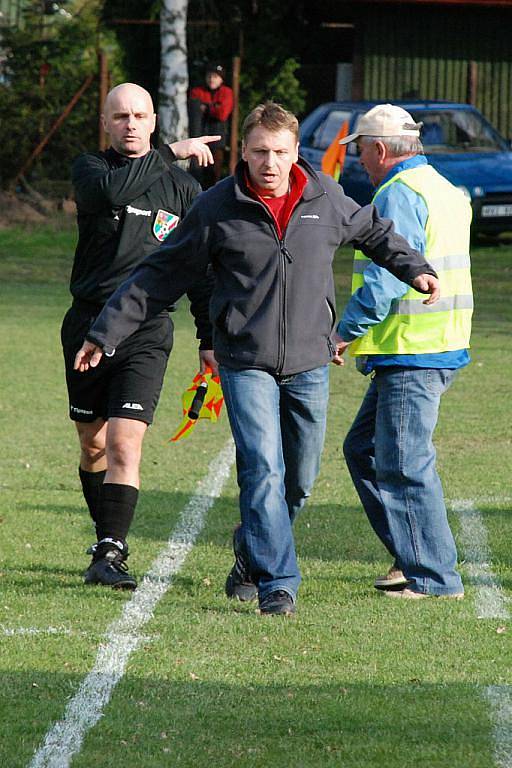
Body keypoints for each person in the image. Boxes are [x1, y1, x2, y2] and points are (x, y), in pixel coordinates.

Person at [73, 102, 440, 615]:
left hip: (310, 362)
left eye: (281, 153)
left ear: (296, 153)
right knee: (262, 468)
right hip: (245, 360)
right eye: (260, 152)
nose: (270, 163)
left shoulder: (325, 196)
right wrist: (106, 330)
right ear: (243, 151)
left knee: (299, 480)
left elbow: (375, 233)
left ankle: (251, 550)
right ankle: (278, 582)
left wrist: (416, 269)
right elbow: (160, 273)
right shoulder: (217, 207)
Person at [61, 82, 218, 590]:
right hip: (87, 323)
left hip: (148, 330)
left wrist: (208, 338)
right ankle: (106, 531)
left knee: (126, 446)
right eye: (121, 116)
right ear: (106, 123)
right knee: (94, 445)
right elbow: (113, 193)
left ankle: (111, 551)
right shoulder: (92, 171)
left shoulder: (183, 191)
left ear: (154, 121)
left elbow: (199, 270)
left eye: (140, 115)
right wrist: (172, 153)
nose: (131, 124)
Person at [334, 103, 473, 599]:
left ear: (378, 150)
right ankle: (411, 555)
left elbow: (387, 276)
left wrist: (343, 332)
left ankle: (434, 578)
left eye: (361, 154)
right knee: (365, 449)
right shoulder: (444, 188)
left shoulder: (399, 193)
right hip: (436, 343)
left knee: (405, 463)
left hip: (415, 350)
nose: (359, 164)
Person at [189, 63, 233, 188]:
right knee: (196, 171)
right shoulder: (198, 91)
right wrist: (214, 107)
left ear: (221, 79)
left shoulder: (226, 92)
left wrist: (206, 107)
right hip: (198, 137)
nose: (212, 79)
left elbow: (223, 113)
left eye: (215, 77)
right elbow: (194, 107)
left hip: (217, 140)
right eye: (209, 76)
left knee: (214, 172)